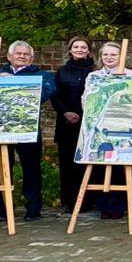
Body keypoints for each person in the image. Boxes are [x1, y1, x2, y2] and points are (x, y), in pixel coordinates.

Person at [85, 43, 132, 220]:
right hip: (100, 127)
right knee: (100, 165)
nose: (109, 58)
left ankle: (118, 206)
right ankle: (103, 206)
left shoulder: (131, 75)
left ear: (120, 56)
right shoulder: (94, 76)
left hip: (122, 127)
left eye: (113, 55)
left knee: (119, 167)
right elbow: (86, 100)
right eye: (106, 55)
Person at [1, 40, 53, 221]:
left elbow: (45, 94)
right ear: (9, 56)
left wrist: (13, 82)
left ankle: (33, 207)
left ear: (31, 58)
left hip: (28, 129)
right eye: (18, 53)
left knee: (31, 169)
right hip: (1, 129)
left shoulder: (42, 75)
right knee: (2, 168)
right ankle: (3, 208)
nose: (22, 57)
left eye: (26, 54)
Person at [51, 36, 96, 211]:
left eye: (83, 47)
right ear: (70, 50)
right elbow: (55, 95)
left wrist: (87, 115)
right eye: (76, 47)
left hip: (89, 123)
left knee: (88, 163)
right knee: (68, 164)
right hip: (67, 123)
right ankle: (70, 202)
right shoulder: (62, 71)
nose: (79, 50)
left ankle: (89, 201)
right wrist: (65, 112)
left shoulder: (95, 71)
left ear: (88, 50)